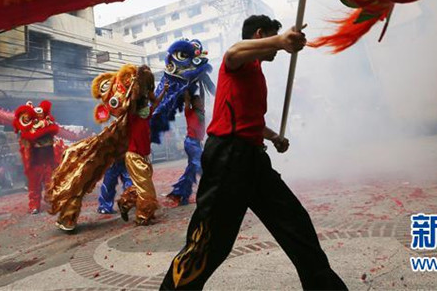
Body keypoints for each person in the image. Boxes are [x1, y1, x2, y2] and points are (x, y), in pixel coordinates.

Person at [161, 15, 346, 290]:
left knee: (295, 223)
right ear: (260, 34)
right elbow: (234, 51)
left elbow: (251, 122)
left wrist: (274, 137)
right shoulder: (238, 61)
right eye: (271, 38)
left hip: (253, 159)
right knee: (209, 242)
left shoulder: (256, 70)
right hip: (227, 159)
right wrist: (282, 41)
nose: (275, 49)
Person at [117, 66, 159, 226]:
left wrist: (164, 90)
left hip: (143, 156)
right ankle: (143, 216)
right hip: (133, 156)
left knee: (142, 186)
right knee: (147, 189)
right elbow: (133, 99)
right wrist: (137, 82)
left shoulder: (146, 113)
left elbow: (156, 102)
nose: (148, 99)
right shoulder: (132, 113)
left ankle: (125, 202)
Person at [166, 91, 205, 206]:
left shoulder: (201, 112)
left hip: (197, 143)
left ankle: (181, 194)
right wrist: (187, 88)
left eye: (201, 101)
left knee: (191, 172)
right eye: (198, 101)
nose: (201, 103)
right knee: (201, 167)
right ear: (193, 103)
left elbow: (202, 95)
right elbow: (187, 100)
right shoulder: (189, 112)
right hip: (191, 143)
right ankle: (209, 191)